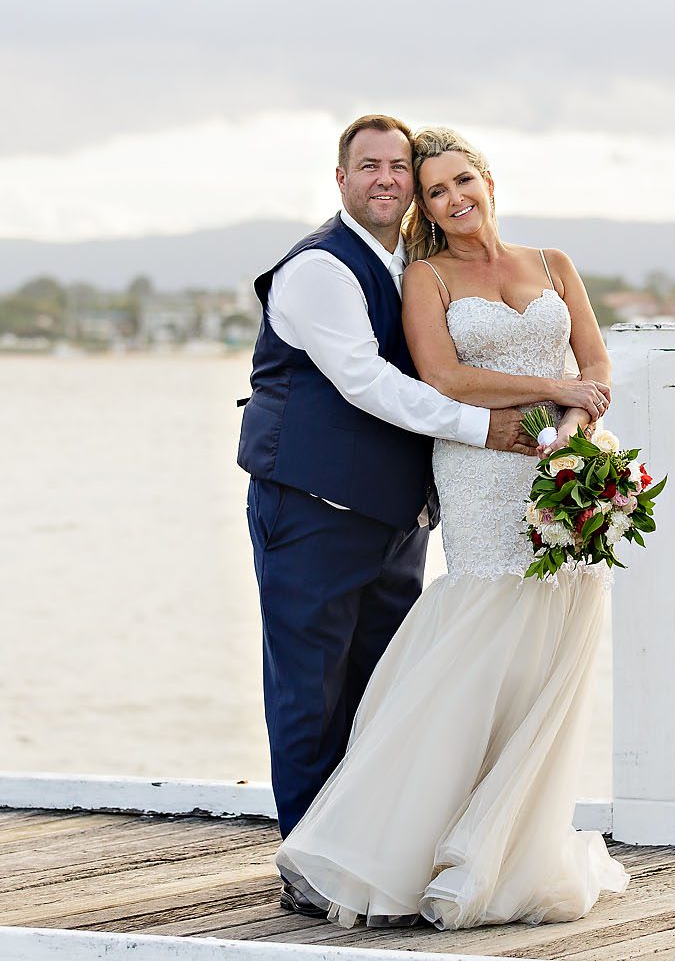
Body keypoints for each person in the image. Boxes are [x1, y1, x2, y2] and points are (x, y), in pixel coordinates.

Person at [237, 114, 612, 920]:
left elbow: (589, 365)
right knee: (311, 690)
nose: (389, 179)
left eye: (400, 168)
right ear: (341, 179)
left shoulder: (410, 263)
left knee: (389, 688)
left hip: (402, 512)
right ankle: (316, 863)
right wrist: (501, 426)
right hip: (314, 503)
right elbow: (373, 382)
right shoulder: (321, 270)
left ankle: (402, 848)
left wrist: (572, 433)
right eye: (369, 166)